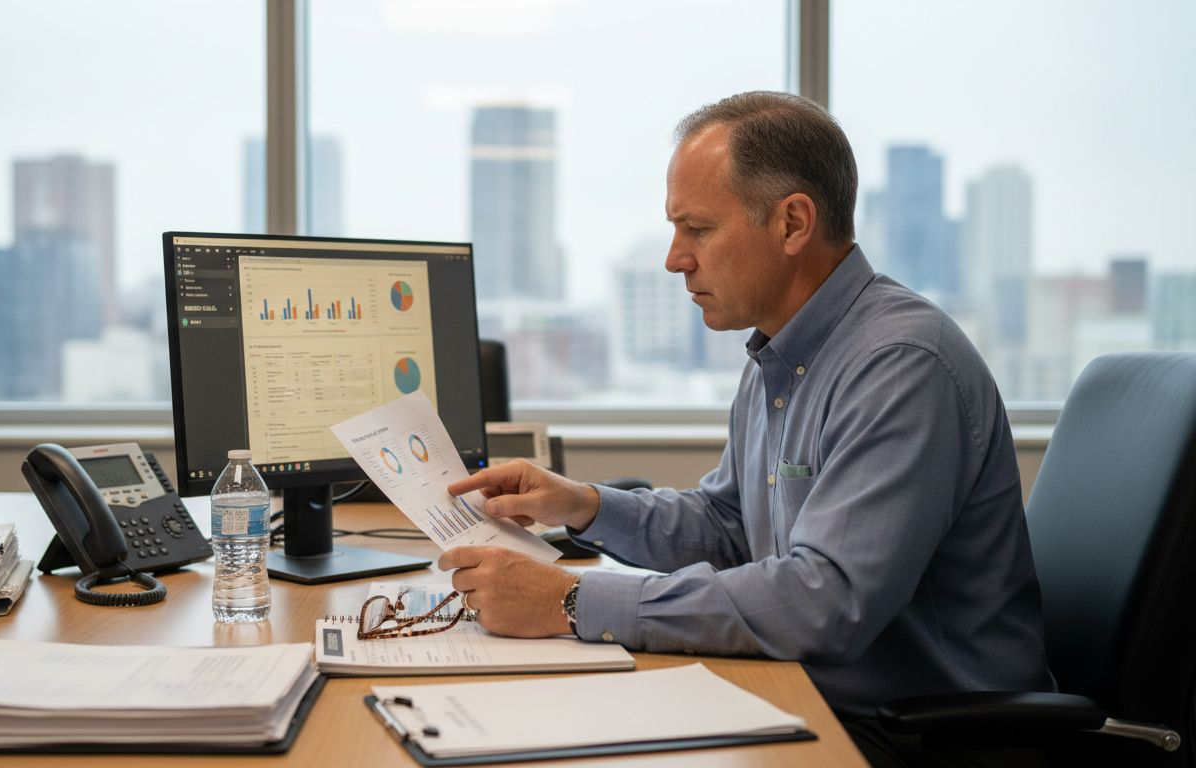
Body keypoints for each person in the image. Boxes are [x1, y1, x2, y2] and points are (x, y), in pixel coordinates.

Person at [440, 91, 1055, 765]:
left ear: (793, 223)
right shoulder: (782, 348)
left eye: (697, 230)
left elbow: (826, 603)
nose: (676, 259)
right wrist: (582, 505)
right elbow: (733, 528)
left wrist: (571, 600)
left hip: (921, 735)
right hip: (816, 697)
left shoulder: (900, 365)